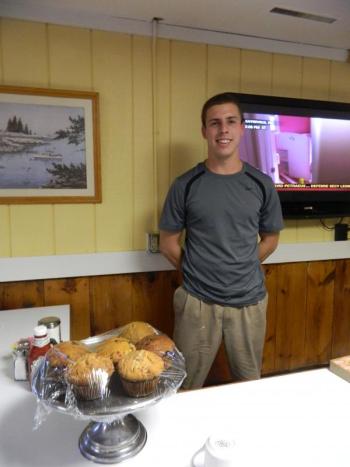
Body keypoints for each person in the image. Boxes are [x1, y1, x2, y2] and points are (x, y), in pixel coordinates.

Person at [159, 92, 284, 389]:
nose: (223, 130)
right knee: (185, 387)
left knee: (248, 385)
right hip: (197, 303)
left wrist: (242, 265)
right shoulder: (185, 185)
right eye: (214, 123)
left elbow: (271, 238)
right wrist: (197, 271)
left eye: (230, 122)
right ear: (204, 131)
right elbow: (168, 243)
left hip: (249, 302)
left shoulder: (261, 184)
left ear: (242, 128)